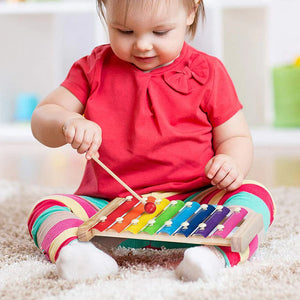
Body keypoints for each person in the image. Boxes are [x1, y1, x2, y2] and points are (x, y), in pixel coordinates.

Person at [28, 0, 275, 281]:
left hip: (193, 207)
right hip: (109, 209)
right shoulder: (93, 68)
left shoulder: (209, 71)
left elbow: (235, 136)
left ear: (191, 12)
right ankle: (77, 255)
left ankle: (212, 257)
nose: (142, 45)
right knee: (47, 209)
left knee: (257, 197)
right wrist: (67, 122)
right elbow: (43, 117)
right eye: (125, 31)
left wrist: (231, 163)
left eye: (160, 32)